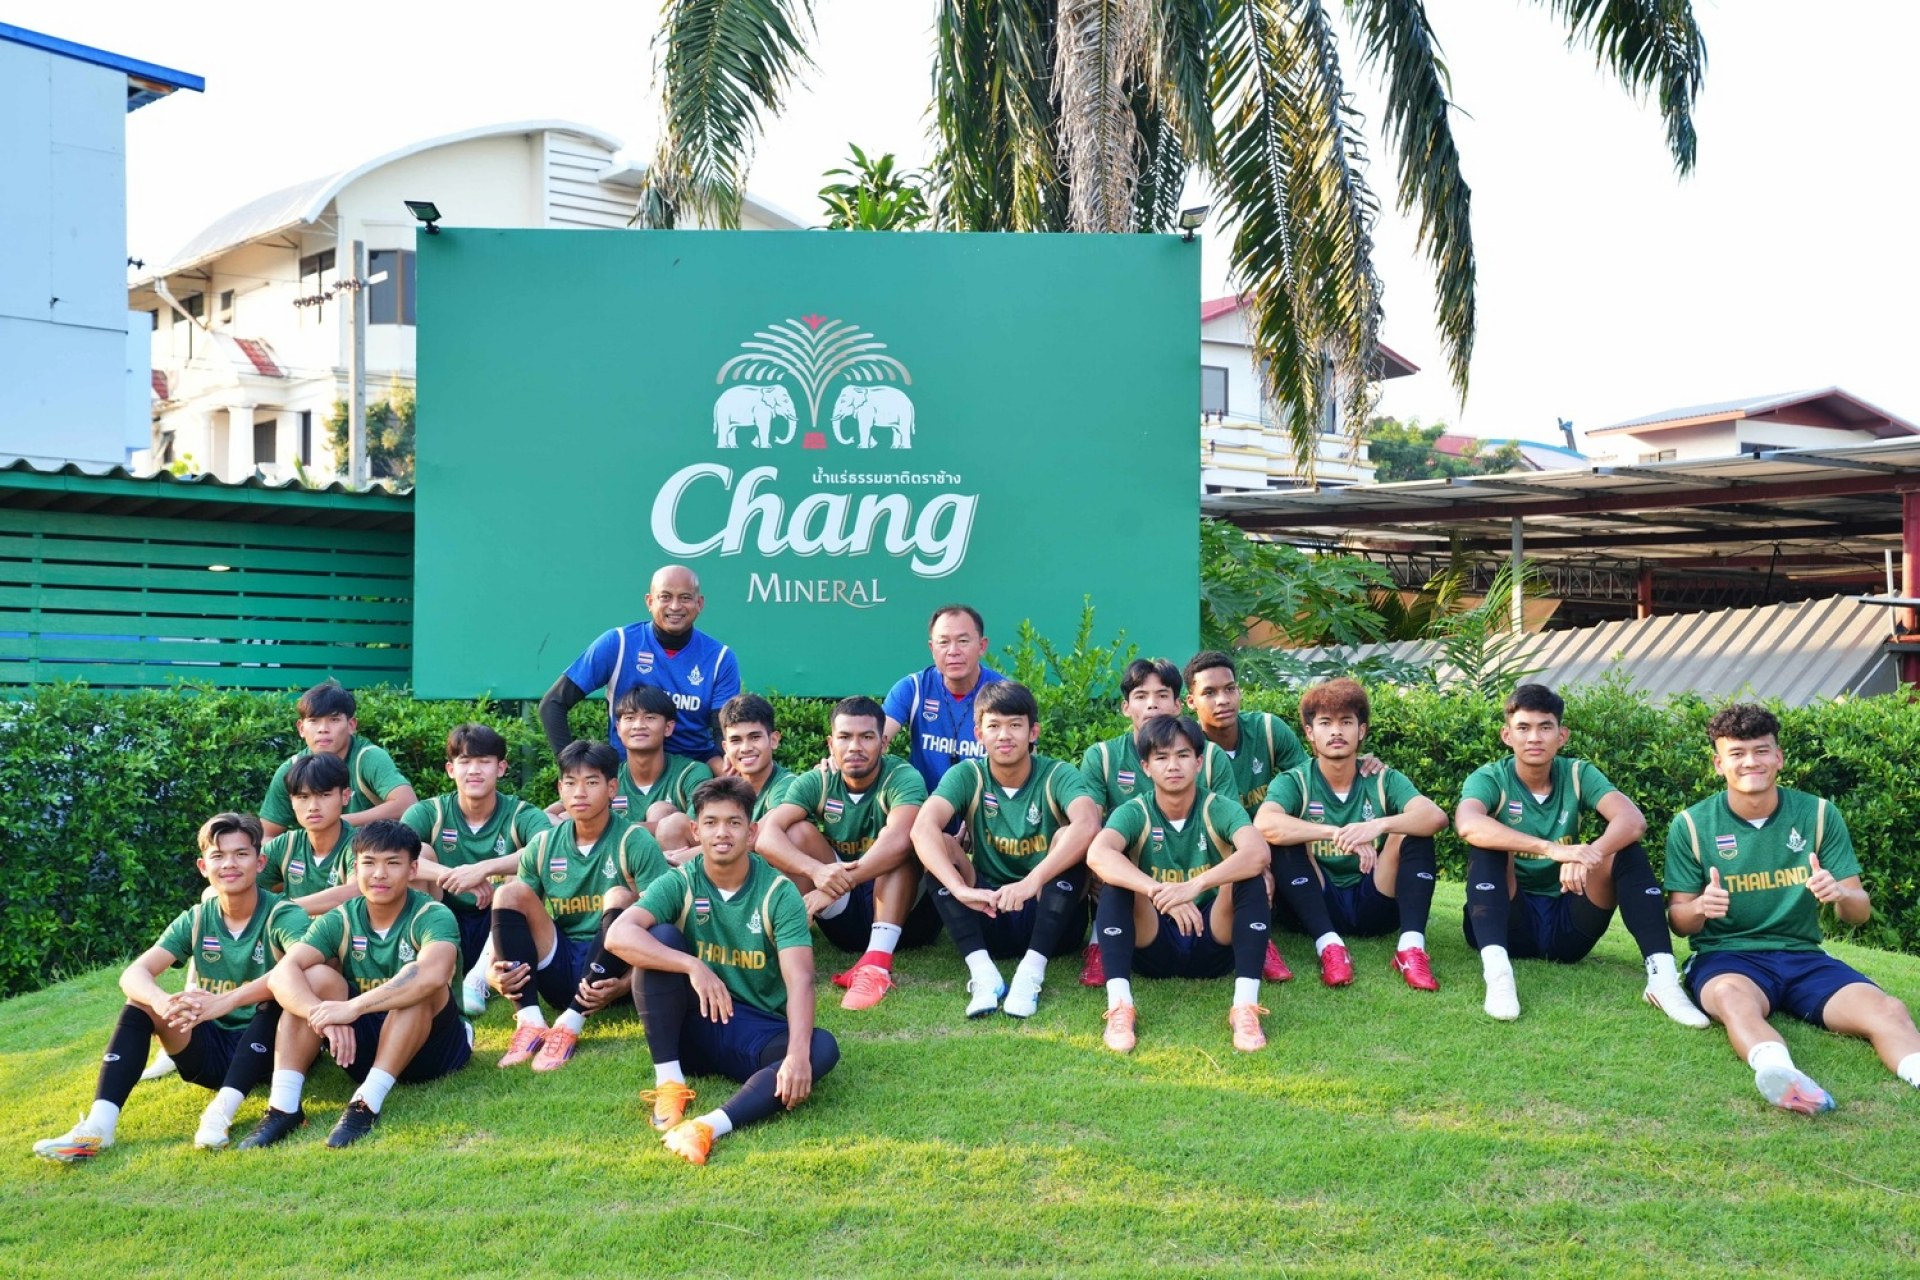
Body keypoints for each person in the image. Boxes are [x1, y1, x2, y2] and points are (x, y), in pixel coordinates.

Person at [1666, 703, 1920, 1114]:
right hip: (1728, 958)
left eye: (1761, 751)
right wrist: (1700, 906)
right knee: (1732, 999)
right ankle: (1782, 1076)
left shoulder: (1818, 814)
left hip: (1803, 957)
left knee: (1888, 1009)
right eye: (1737, 753)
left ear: (1779, 757)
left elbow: (1858, 913)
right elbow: (1679, 921)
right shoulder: (1692, 824)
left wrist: (1840, 894)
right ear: (1719, 764)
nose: (1751, 762)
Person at [33, 813, 309, 1161]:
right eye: (218, 856)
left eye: (241, 854)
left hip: (271, 1050)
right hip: (209, 1048)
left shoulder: (284, 914)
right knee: (141, 1002)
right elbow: (133, 973)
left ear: (260, 861)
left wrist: (226, 1001)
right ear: (203, 866)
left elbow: (299, 964)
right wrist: (162, 1001)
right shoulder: (197, 917)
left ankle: (219, 1113)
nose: (229, 864)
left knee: (279, 996)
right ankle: (99, 1127)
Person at [606, 777, 839, 1165]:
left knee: (821, 1048)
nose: (722, 833)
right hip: (692, 1026)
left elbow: (800, 979)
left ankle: (706, 1126)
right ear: (695, 831)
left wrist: (798, 1056)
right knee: (659, 939)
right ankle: (670, 1082)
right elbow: (618, 935)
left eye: (734, 822)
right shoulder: (682, 880)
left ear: (752, 832)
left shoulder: (779, 892)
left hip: (752, 1030)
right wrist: (692, 965)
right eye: (711, 823)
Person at [1456, 683, 1707, 1026]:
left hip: (1567, 931)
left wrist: (1586, 855)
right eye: (1523, 728)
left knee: (1624, 850)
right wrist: (1551, 849)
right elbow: (1467, 824)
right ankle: (1498, 975)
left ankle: (1663, 980)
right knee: (1486, 845)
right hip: (1506, 923)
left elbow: (1633, 820)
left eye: (1545, 727)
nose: (1534, 738)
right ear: (1506, 735)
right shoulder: (1491, 777)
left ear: (1562, 736)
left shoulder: (1577, 773)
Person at [240, 821, 472, 1149]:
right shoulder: (341, 917)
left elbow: (433, 974)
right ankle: (283, 1106)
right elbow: (283, 973)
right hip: (362, 1046)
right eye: (369, 863)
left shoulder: (432, 914)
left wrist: (352, 1007)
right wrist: (323, 1015)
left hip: (432, 1052)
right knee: (314, 977)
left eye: (392, 863)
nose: (379, 874)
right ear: (356, 867)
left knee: (417, 983)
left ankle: (365, 1104)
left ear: (412, 870)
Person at [911, 681, 1103, 1019]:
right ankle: (983, 973)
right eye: (994, 726)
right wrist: (959, 889)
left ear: (1033, 732)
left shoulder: (1057, 773)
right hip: (989, 911)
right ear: (978, 734)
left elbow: (1088, 823)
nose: (1004, 735)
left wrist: (1031, 882)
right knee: (940, 845)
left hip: (1052, 915)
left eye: (1015, 725)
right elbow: (921, 827)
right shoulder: (968, 774)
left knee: (1068, 837)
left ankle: (1031, 973)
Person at [1086, 716, 1274, 1054]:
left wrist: (1194, 886)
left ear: (1199, 762)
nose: (1173, 765)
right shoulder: (1134, 811)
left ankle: (1245, 1007)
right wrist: (1158, 891)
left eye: (1183, 755)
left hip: (1212, 936)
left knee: (1250, 877)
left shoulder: (1219, 807)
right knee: (1116, 882)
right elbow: (1097, 854)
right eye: (1161, 757)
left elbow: (1258, 852)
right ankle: (1120, 1007)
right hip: (1153, 939)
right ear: (1146, 767)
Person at [1255, 677, 1450, 991]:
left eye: (1346, 722)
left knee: (1414, 831)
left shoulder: (1383, 778)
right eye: (1325, 723)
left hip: (1375, 899)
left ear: (1361, 731)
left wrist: (1378, 826)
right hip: (1315, 902)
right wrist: (1337, 833)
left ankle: (1411, 948)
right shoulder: (1295, 780)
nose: (1336, 731)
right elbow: (1264, 823)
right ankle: (1329, 946)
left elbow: (1436, 817)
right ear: (1310, 733)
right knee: (1284, 837)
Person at [489, 740, 671, 1073]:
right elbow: (513, 920)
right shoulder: (544, 844)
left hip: (610, 973)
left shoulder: (634, 840)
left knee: (619, 896)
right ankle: (529, 1022)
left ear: (612, 788)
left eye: (591, 782)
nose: (580, 793)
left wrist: (627, 984)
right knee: (509, 893)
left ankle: (570, 1024)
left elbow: (664, 925)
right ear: (560, 789)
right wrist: (492, 969)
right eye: (571, 783)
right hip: (559, 964)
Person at [1076, 658, 1250, 988]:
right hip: (1136, 877)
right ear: (1126, 707)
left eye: (1162, 695)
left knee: (1251, 866)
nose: (1152, 704)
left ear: (1178, 705)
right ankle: (1102, 941)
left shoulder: (1209, 756)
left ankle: (1252, 936)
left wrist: (1193, 886)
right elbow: (1090, 827)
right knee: (1100, 857)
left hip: (1203, 875)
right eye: (1141, 696)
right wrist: (1117, 873)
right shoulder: (1103, 756)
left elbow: (1232, 828)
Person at [756, 695, 936, 1011]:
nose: (855, 746)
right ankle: (782, 949)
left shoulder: (901, 777)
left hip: (907, 922)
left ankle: (876, 966)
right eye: (845, 737)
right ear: (831, 744)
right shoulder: (818, 781)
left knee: (902, 845)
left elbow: (899, 841)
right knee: (797, 833)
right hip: (845, 921)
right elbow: (766, 836)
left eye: (866, 737)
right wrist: (817, 873)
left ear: (883, 743)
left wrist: (834, 886)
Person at [401, 723, 554, 1017]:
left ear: (501, 768)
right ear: (450, 769)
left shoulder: (520, 813)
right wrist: (456, 876)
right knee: (419, 854)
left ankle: (477, 980)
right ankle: (422, 969)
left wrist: (482, 870)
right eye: (465, 761)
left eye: (484, 761)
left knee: (521, 871)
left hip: (498, 925)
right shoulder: (429, 812)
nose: (474, 770)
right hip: (444, 918)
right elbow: (391, 855)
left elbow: (547, 849)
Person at [540, 564, 740, 769]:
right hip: (627, 770)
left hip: (693, 770)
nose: (674, 606)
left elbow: (723, 730)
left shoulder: (720, 657)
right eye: (665, 597)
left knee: (731, 773)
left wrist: (726, 769)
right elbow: (553, 703)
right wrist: (571, 768)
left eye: (685, 597)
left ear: (699, 603)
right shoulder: (618, 643)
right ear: (650, 601)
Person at [257, 679, 416, 839]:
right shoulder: (292, 769)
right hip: (316, 851)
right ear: (301, 728)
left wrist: (336, 823)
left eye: (334, 720)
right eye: (314, 721)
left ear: (351, 725)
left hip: (370, 849)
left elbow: (407, 804)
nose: (323, 729)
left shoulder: (368, 758)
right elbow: (266, 835)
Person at [881, 604, 1006, 792]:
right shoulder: (914, 688)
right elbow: (874, 740)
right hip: (923, 805)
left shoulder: (1004, 693)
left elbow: (1025, 762)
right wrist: (839, 759)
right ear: (932, 648)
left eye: (963, 641)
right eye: (943, 642)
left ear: (982, 646)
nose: (953, 651)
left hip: (985, 805)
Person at [607, 686, 713, 857]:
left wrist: (610, 830)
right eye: (630, 718)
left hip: (679, 865)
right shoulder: (609, 777)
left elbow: (699, 828)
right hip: (622, 869)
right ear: (618, 728)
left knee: (664, 816)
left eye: (649, 718)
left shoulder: (692, 772)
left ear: (668, 728)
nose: (638, 725)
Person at [259, 754, 362, 916]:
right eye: (303, 797)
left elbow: (354, 891)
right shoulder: (285, 845)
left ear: (345, 796)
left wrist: (280, 910)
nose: (313, 806)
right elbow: (238, 885)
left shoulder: (362, 844)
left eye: (324, 795)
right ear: (292, 801)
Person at [716, 693, 796, 821]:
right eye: (736, 740)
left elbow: (769, 828)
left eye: (755, 737)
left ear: (774, 740)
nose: (745, 748)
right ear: (726, 748)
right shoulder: (719, 790)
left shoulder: (789, 784)